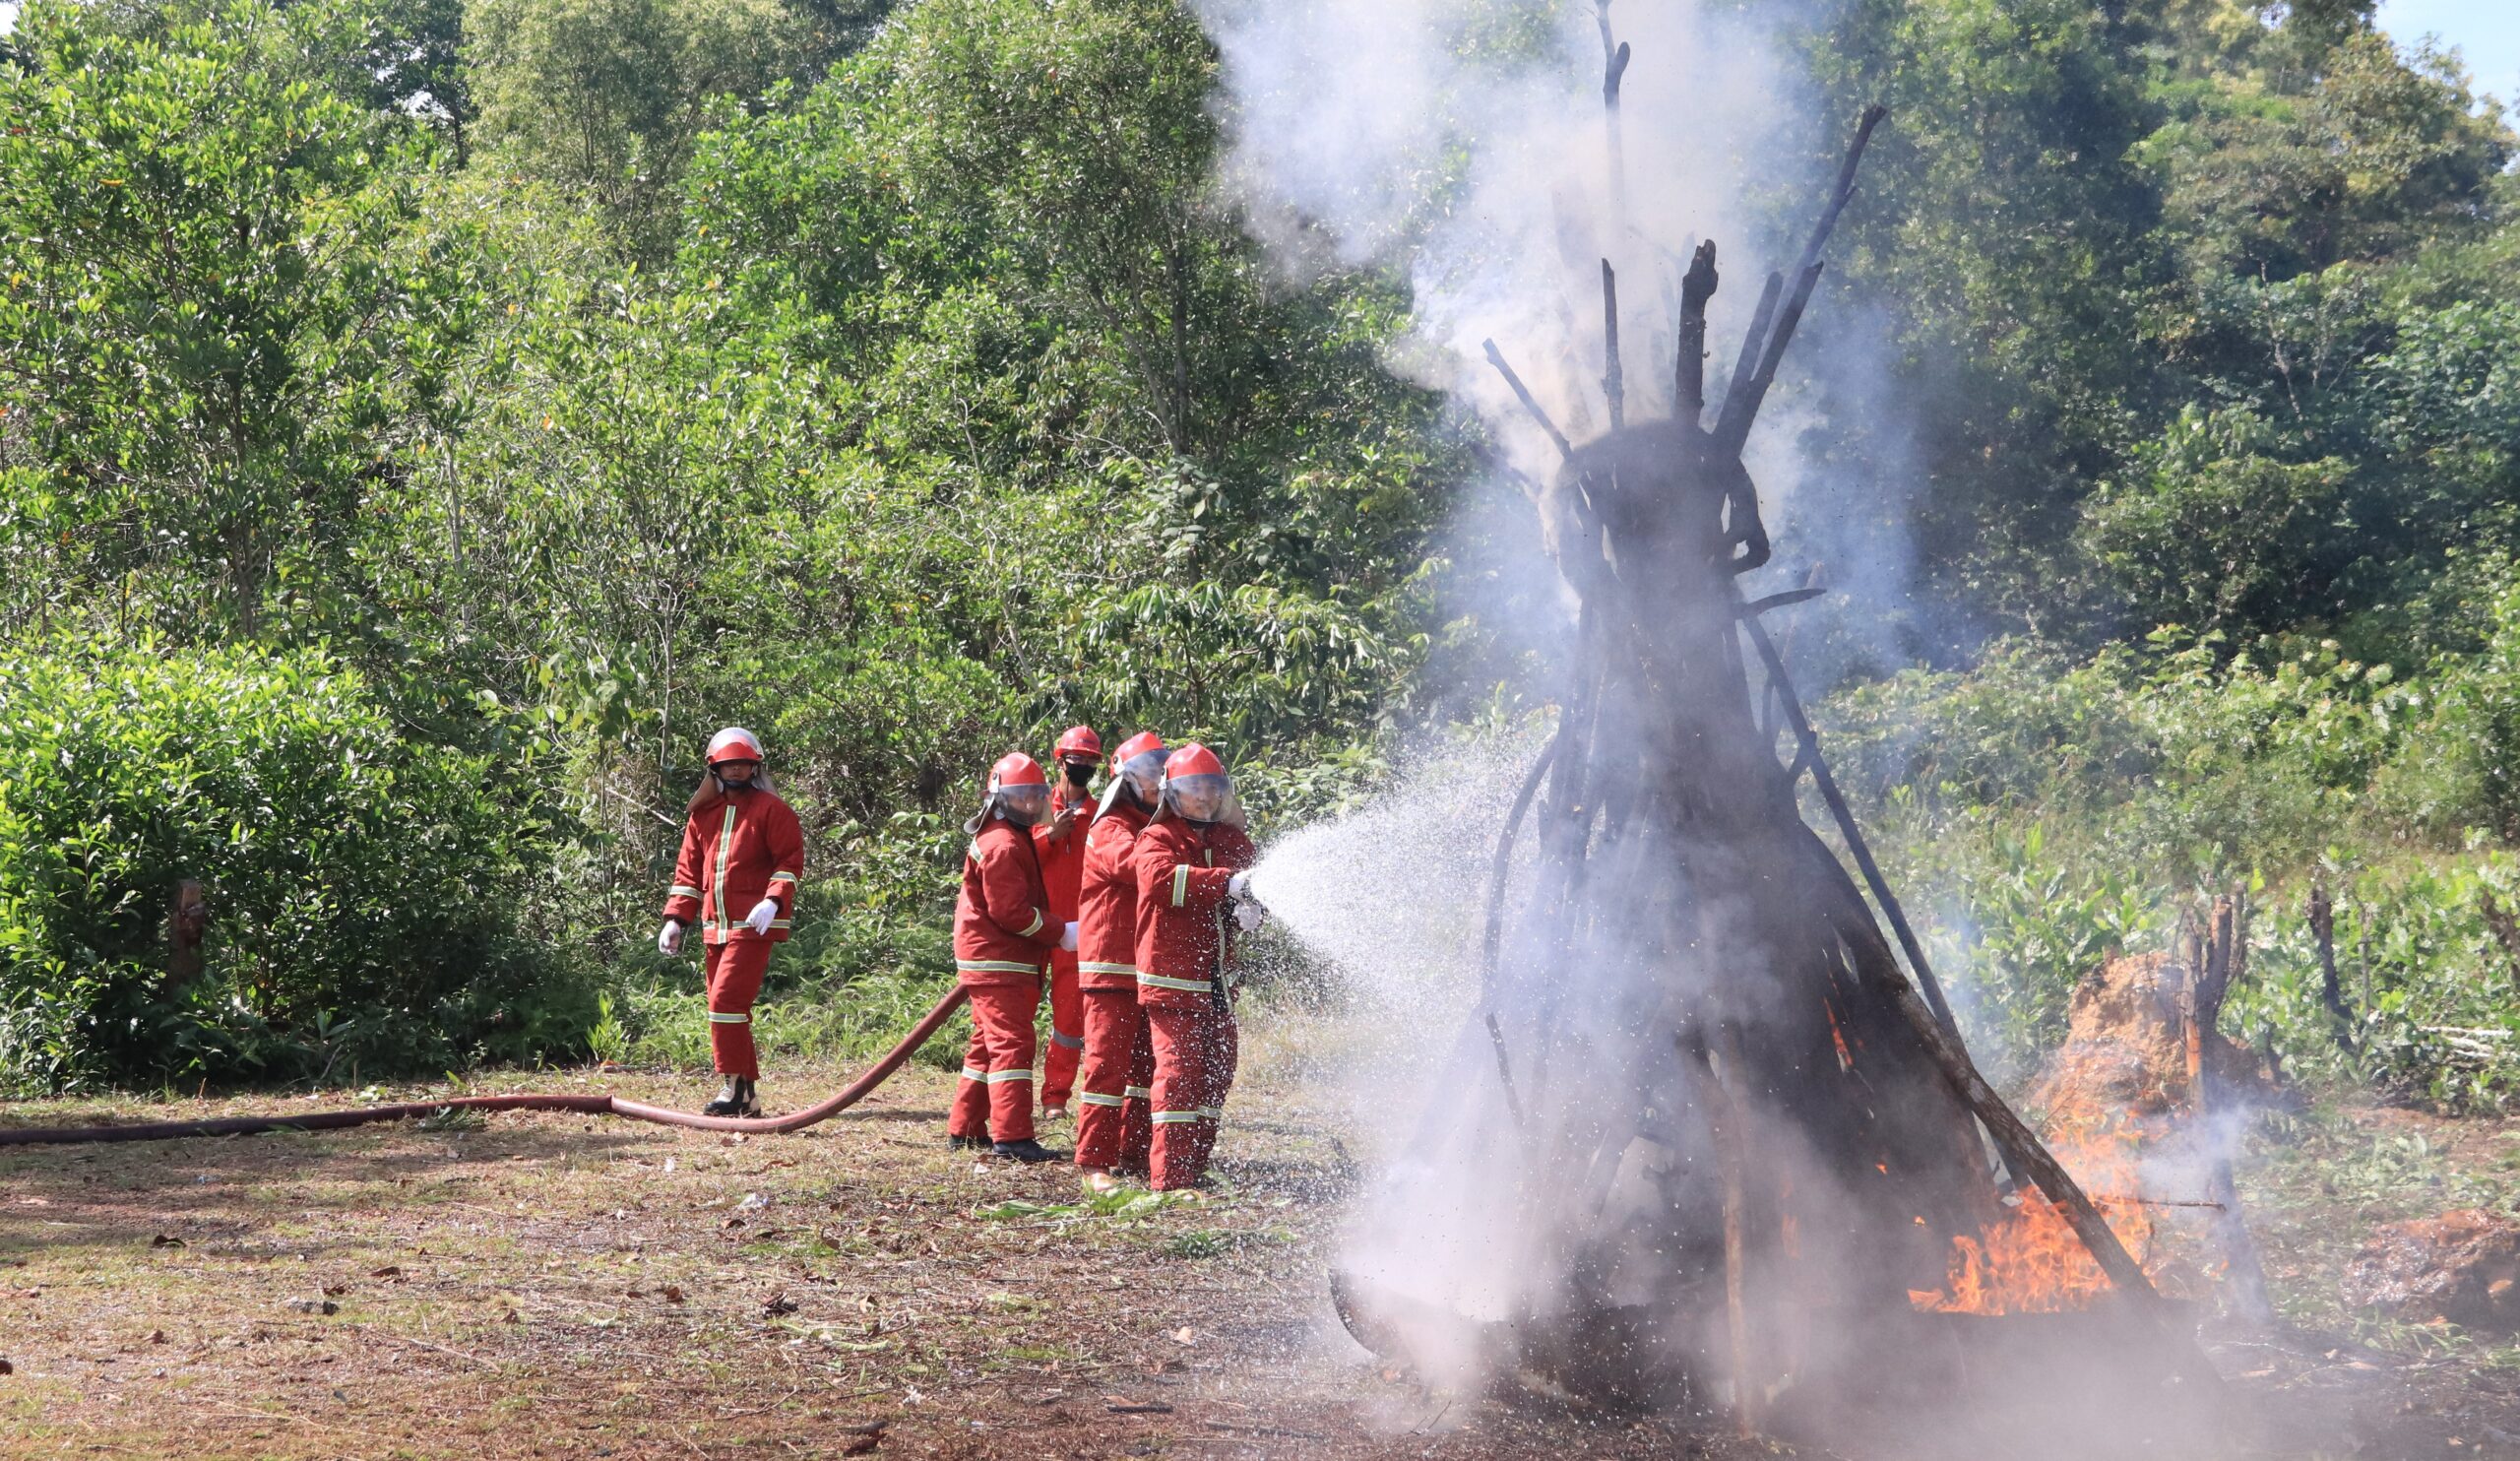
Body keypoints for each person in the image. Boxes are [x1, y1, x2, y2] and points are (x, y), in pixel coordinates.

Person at [1130, 743, 1261, 1192]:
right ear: (1172, 793)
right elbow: (1161, 882)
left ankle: (1196, 1164)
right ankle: (1170, 1178)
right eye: (1193, 788)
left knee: (1217, 1072)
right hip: (1172, 979)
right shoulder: (1157, 839)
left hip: (1218, 980)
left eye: (1211, 787)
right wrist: (1226, 884)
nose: (1203, 796)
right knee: (1178, 1074)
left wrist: (1256, 910)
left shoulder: (1231, 840)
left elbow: (1252, 888)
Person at [658, 727, 805, 1117]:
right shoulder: (702, 817)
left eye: (743, 764)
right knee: (726, 1008)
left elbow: (789, 863)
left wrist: (773, 901)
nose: (736, 771)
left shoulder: (773, 811)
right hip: (713, 926)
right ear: (715, 769)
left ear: (755, 767)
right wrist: (675, 919)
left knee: (725, 1003)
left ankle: (731, 1088)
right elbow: (688, 874)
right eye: (729, 765)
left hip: (753, 926)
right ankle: (748, 1096)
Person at [948, 751, 1067, 1162]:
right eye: (1022, 797)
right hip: (999, 960)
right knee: (1012, 1045)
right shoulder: (1002, 844)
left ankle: (965, 1128)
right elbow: (1010, 912)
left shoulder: (1010, 837)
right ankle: (1013, 1136)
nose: (1032, 805)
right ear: (999, 798)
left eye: (1036, 796)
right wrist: (1059, 931)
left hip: (998, 958)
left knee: (986, 1045)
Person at [1072, 731, 1167, 1192]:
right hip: (1110, 968)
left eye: (1162, 772)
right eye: (1150, 774)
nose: (1159, 783)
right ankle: (1094, 1163)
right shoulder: (1110, 827)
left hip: (1147, 968)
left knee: (1145, 1071)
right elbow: (1141, 870)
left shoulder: (1158, 824)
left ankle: (1133, 1153)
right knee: (1106, 1067)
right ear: (1127, 781)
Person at [1032, 726, 1102, 1119]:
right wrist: (1050, 835)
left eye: (1091, 763)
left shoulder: (1099, 814)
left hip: (1075, 932)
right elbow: (1012, 861)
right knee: (1011, 1017)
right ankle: (996, 1099)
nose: (1084, 769)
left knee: (1069, 1020)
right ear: (1060, 761)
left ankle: (1055, 1098)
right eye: (1078, 761)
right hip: (1030, 925)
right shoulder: (1034, 805)